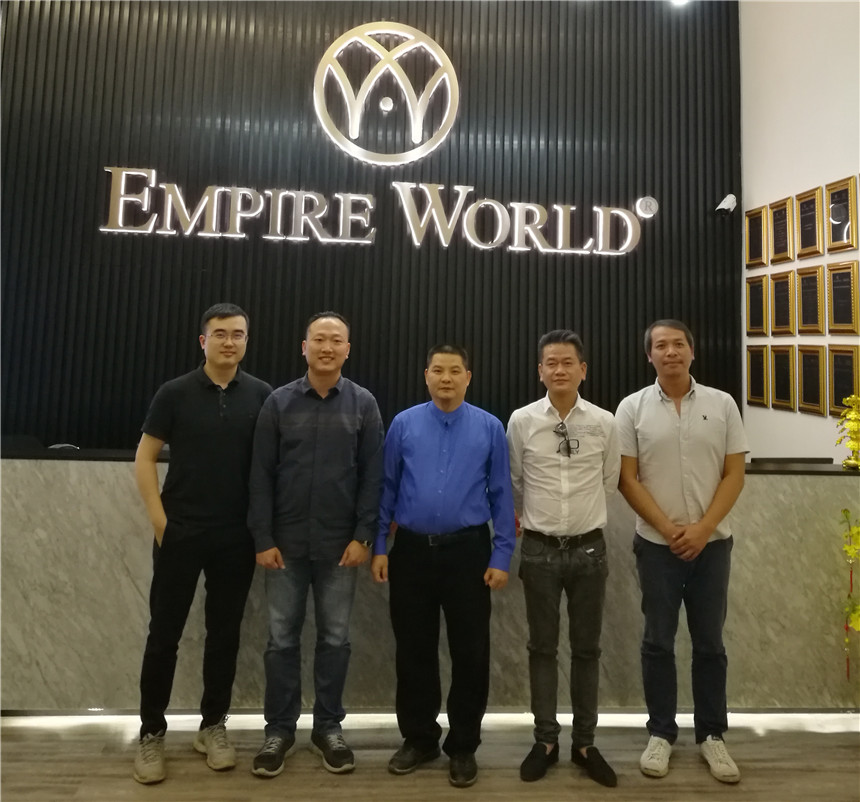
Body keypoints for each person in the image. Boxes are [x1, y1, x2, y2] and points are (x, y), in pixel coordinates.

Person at [133, 303, 273, 785]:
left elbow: (270, 466)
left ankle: (212, 726)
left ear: (246, 341)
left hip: (236, 536)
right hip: (181, 532)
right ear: (203, 341)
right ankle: (151, 732)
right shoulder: (174, 393)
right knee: (163, 635)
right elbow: (145, 456)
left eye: (238, 334)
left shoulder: (262, 395)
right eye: (220, 334)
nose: (229, 342)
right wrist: (161, 522)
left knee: (224, 634)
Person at [371, 344, 516, 789]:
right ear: (426, 375)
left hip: (468, 552)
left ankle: (464, 746)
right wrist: (380, 546)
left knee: (470, 652)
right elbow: (387, 487)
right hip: (411, 551)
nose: (446, 378)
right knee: (413, 649)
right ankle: (419, 739)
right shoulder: (403, 424)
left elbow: (502, 494)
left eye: (455, 371)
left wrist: (502, 554)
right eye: (438, 370)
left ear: (468, 377)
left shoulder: (490, 427)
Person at [247, 311, 383, 778]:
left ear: (348, 350)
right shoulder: (278, 403)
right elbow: (260, 476)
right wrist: (262, 538)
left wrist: (364, 536)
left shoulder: (363, 404)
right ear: (304, 347)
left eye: (336, 340)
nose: (327, 347)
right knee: (281, 641)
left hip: (340, 548)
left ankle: (328, 727)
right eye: (319, 340)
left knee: (335, 640)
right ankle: (279, 730)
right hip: (283, 546)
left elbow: (373, 477)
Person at [615, 319, 747, 784]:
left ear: (692, 351)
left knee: (710, 643)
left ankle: (712, 735)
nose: (670, 352)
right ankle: (661, 733)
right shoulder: (631, 408)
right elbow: (627, 478)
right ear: (649, 355)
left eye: (678, 344)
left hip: (713, 546)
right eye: (660, 346)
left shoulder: (722, 404)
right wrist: (669, 528)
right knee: (658, 641)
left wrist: (703, 529)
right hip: (657, 546)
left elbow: (734, 473)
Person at [506, 330, 620, 787]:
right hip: (539, 550)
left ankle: (585, 743)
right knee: (542, 648)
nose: (559, 370)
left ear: (582, 369)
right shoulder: (522, 421)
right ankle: (546, 741)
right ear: (540, 371)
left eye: (567, 362)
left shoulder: (604, 422)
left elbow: (609, 481)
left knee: (588, 650)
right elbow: (516, 481)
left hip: (590, 550)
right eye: (551, 363)